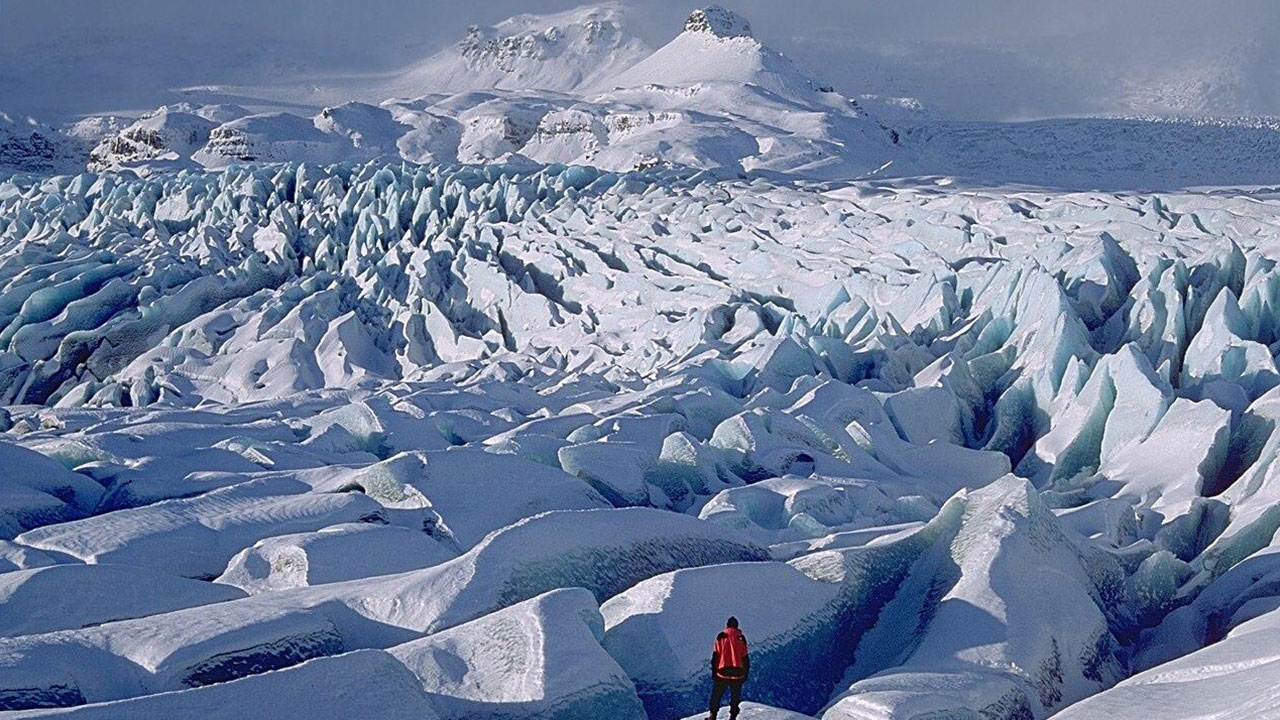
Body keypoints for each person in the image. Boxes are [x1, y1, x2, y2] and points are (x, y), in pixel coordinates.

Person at [709, 616, 749, 720]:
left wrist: (714, 672)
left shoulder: (721, 637)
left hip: (722, 672)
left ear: (727, 625)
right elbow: (745, 658)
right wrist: (745, 674)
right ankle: (733, 716)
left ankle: (713, 716)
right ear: (737, 626)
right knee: (735, 696)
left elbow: (716, 656)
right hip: (738, 673)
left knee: (716, 695)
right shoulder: (741, 638)